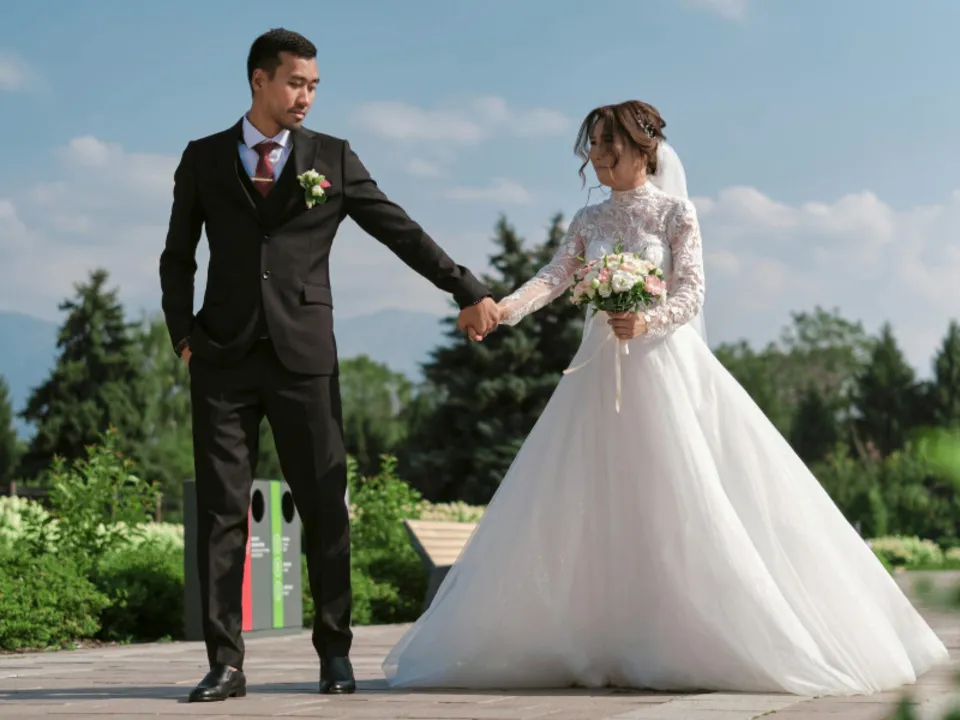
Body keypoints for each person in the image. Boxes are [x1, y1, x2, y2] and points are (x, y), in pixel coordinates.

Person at [381, 100, 949, 694]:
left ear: (643, 148)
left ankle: (686, 635)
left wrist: (647, 321)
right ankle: (603, 636)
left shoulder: (677, 213)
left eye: (608, 143)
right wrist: (503, 311)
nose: (597, 155)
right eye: (592, 145)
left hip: (662, 366)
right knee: (596, 494)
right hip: (598, 372)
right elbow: (554, 277)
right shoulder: (589, 219)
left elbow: (693, 291)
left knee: (677, 489)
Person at [159, 28, 499, 703]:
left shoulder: (332, 158)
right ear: (259, 80)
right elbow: (177, 255)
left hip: (304, 358)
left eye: (314, 86)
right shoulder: (203, 158)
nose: (306, 97)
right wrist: (182, 337)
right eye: (295, 83)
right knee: (222, 513)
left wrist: (465, 287)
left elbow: (397, 228)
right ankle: (225, 664)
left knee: (324, 507)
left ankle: (335, 655)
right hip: (221, 358)